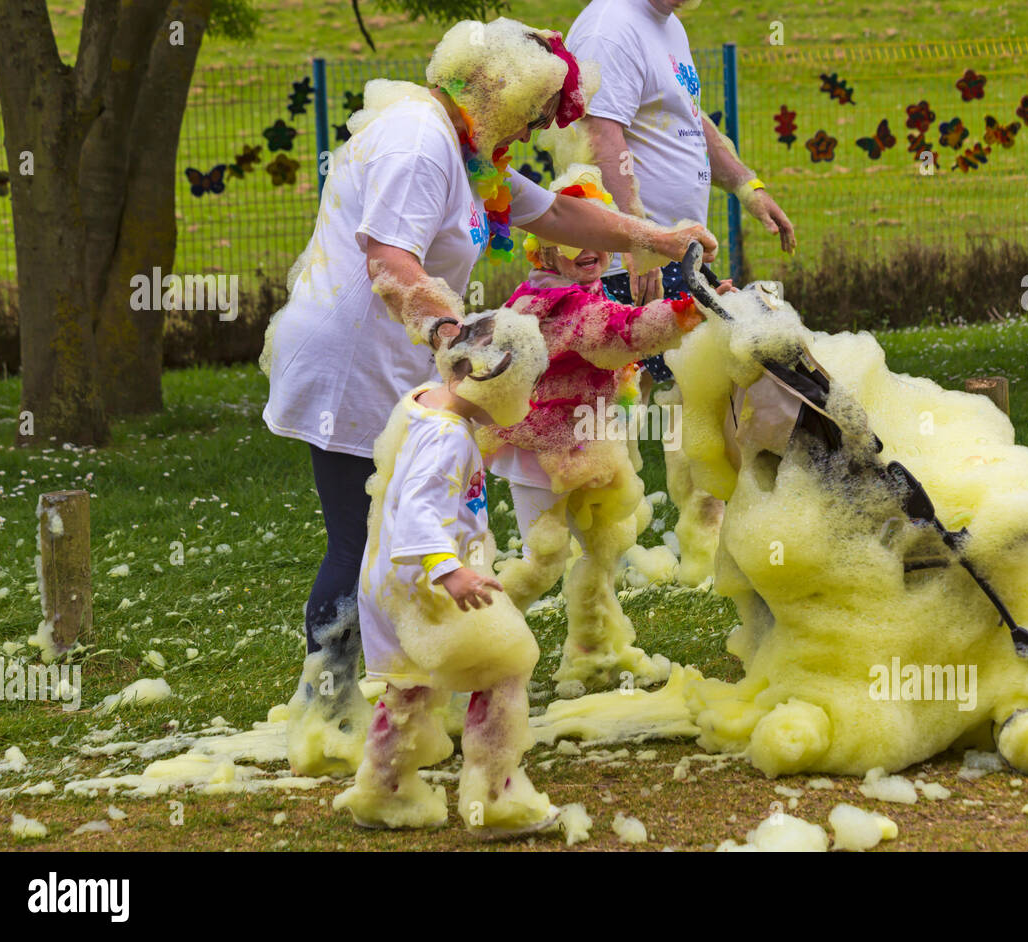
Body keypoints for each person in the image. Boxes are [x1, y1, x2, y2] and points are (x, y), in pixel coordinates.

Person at [259, 17, 717, 777]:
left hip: (396, 351)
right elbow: (390, 258)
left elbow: (557, 212)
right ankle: (331, 709)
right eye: (536, 114)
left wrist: (657, 239)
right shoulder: (418, 141)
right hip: (354, 358)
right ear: (500, 91)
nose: (538, 130)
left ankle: (388, 702)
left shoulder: (469, 151)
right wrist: (453, 335)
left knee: (400, 527)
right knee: (359, 537)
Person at [559, 0, 796, 585]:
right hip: (629, 255)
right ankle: (594, 568)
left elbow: (695, 123)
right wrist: (639, 238)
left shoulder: (669, 26)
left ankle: (698, 546)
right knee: (612, 411)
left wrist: (748, 186)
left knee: (695, 397)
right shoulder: (612, 25)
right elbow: (599, 131)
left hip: (676, 252)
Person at [483, 165, 732, 696]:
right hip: (541, 452)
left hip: (578, 443)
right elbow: (621, 335)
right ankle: (476, 651)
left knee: (601, 549)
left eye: (598, 239)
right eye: (573, 240)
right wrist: (691, 309)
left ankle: (597, 650)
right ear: (543, 250)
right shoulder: (561, 304)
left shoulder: (553, 292)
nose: (588, 249)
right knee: (542, 560)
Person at [334, 307, 558, 836]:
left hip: (391, 579)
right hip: (433, 583)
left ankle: (382, 793)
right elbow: (418, 508)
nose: (524, 403)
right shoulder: (449, 436)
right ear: (487, 380)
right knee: (506, 666)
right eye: (523, 387)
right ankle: (497, 799)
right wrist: (450, 570)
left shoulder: (421, 402)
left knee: (410, 687)